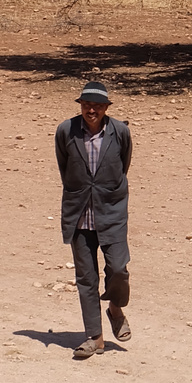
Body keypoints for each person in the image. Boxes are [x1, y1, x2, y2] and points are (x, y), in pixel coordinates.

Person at [55, 80, 133, 359]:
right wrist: (82, 191)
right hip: (79, 215)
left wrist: (104, 191)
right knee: (86, 278)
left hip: (111, 213)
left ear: (106, 108)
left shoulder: (120, 132)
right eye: (87, 105)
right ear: (81, 105)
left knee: (119, 268)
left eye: (98, 106)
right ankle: (95, 337)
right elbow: (65, 168)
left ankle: (115, 308)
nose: (92, 110)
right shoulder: (66, 130)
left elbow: (124, 165)